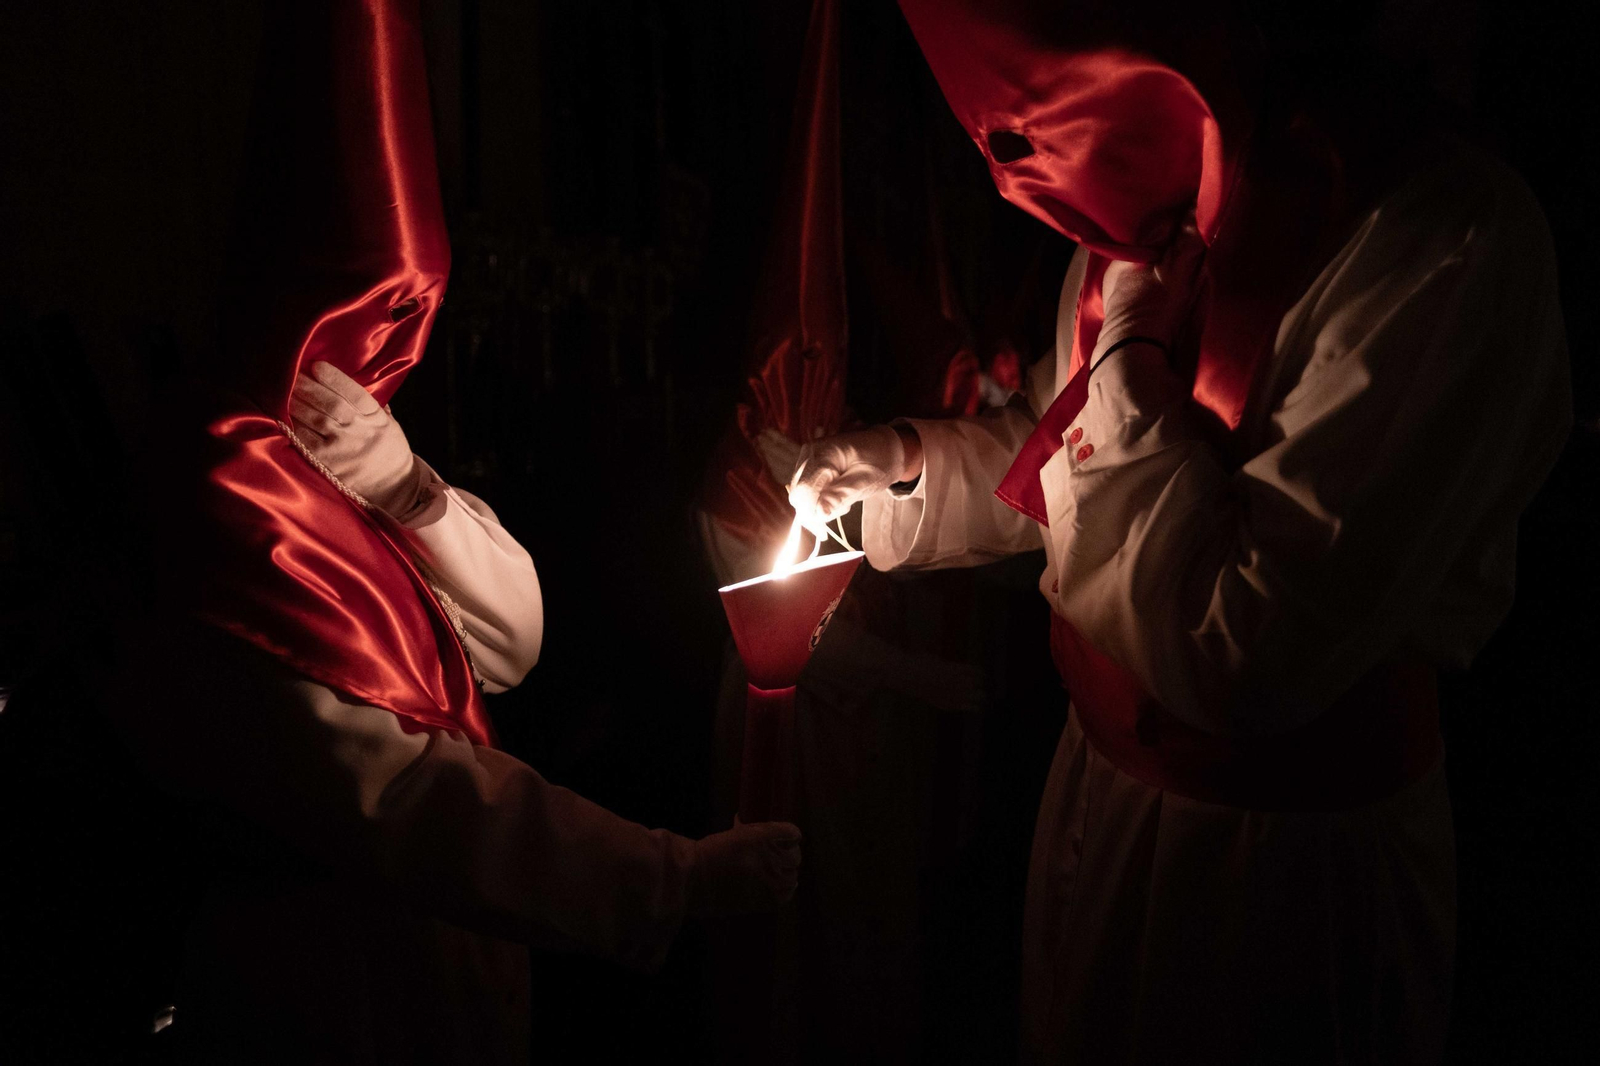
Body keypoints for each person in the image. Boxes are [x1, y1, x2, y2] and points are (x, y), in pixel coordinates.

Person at [789, 1, 1571, 1062]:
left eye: (1028, 132)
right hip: (1097, 808)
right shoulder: (1144, 218)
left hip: (1279, 870)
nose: (1015, 179)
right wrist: (905, 470)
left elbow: (1236, 637)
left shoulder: (1438, 239)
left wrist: (1125, 352)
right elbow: (1074, 455)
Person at [109, 3, 798, 1063]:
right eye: (368, 317)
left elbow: (510, 639)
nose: (390, 353)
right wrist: (669, 875)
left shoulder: (340, 445)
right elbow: (404, 798)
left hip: (440, 955)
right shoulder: (230, 487)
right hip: (327, 982)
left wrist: (407, 486)